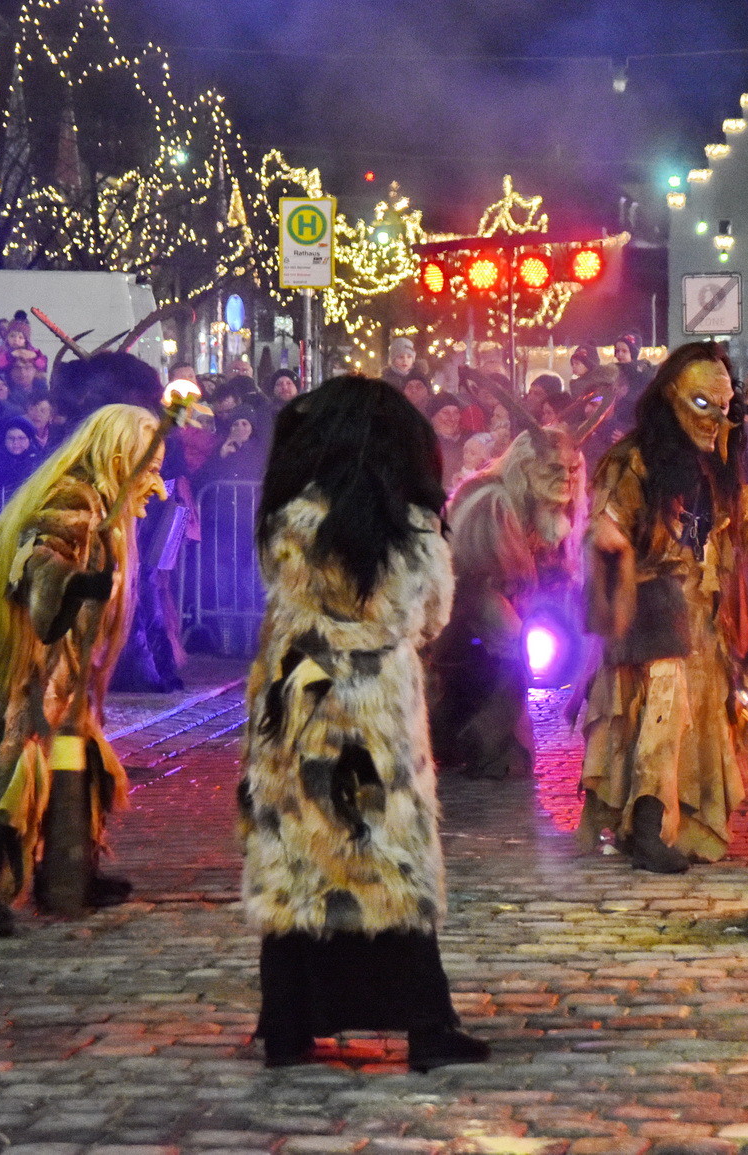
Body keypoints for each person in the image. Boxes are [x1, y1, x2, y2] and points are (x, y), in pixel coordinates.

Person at [240, 377, 487, 1071]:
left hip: (298, 691)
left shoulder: (288, 518)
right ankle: (424, 1023)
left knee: (297, 854)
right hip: (373, 698)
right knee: (387, 856)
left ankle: (289, 1021)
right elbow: (430, 614)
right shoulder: (404, 528)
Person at [579, 343, 748, 873]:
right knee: (660, 716)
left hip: (703, 620)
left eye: (724, 407)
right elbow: (606, 524)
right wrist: (607, 539)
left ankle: (672, 826)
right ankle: (649, 826)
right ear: (672, 398)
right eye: (702, 404)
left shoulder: (721, 472)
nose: (716, 418)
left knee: (694, 727)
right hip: (652, 608)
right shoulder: (633, 461)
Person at [0, 405, 166, 938]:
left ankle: (68, 871)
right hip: (11, 660)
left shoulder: (99, 502)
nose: (158, 486)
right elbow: (36, 560)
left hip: (50, 665)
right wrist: (75, 585)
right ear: (120, 458)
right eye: (150, 469)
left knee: (74, 756)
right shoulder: (72, 499)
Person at [430, 426, 585, 781]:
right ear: (526, 467)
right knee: (515, 654)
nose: (565, 479)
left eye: (571, 470)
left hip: (495, 597)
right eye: (553, 469)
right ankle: (486, 741)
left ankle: (468, 740)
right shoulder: (491, 500)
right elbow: (476, 578)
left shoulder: (546, 508)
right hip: (468, 595)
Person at [0, 416, 43, 495]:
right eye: (11, 438)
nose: (15, 443)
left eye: (21, 438)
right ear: (5, 440)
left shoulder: (39, 461)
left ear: (29, 440)